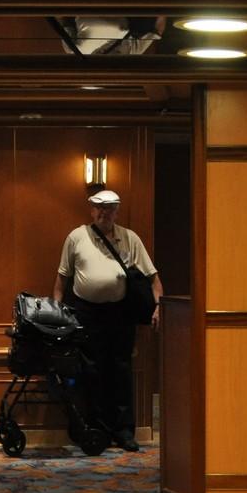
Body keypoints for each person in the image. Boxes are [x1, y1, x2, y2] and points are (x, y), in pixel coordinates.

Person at [53, 188, 162, 451]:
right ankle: (97, 430)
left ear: (117, 212)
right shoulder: (77, 237)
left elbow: (154, 279)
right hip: (85, 313)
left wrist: (158, 307)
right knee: (91, 371)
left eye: (110, 208)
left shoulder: (130, 238)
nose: (105, 213)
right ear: (92, 210)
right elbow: (61, 280)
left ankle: (124, 431)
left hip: (120, 313)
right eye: (100, 208)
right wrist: (57, 311)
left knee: (121, 370)